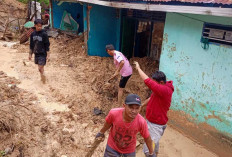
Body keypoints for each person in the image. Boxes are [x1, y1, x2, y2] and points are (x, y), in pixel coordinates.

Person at [133, 61, 174, 157]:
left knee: (148, 151)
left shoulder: (164, 90)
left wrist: (138, 68)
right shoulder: (161, 89)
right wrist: (142, 105)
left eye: (155, 83)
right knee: (154, 143)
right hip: (153, 123)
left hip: (156, 126)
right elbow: (151, 97)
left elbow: (148, 82)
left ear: (161, 82)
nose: (153, 86)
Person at [29, 19, 50, 83]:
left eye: (41, 26)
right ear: (35, 25)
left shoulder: (44, 34)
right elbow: (31, 45)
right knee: (39, 68)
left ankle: (43, 78)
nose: (39, 27)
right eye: (38, 26)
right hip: (36, 53)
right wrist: (30, 54)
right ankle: (42, 76)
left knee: (40, 67)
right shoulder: (33, 34)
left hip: (43, 53)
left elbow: (47, 44)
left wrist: (48, 54)